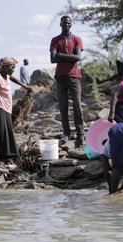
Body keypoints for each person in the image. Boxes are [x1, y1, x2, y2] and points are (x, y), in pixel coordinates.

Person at [0, 57, 33, 173]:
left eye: (14, 68)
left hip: (5, 109)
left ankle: (3, 161)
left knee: (4, 134)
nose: (13, 70)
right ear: (5, 67)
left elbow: (14, 79)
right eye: (12, 67)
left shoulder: (6, 76)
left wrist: (26, 87)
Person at [50, 15, 84, 148]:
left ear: (71, 25)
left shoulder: (77, 39)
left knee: (77, 106)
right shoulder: (55, 40)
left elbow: (77, 57)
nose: (66, 25)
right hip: (60, 77)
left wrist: (62, 56)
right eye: (64, 23)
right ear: (60, 24)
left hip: (74, 76)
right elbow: (53, 59)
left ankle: (80, 133)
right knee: (63, 106)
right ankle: (66, 132)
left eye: (68, 23)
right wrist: (68, 57)